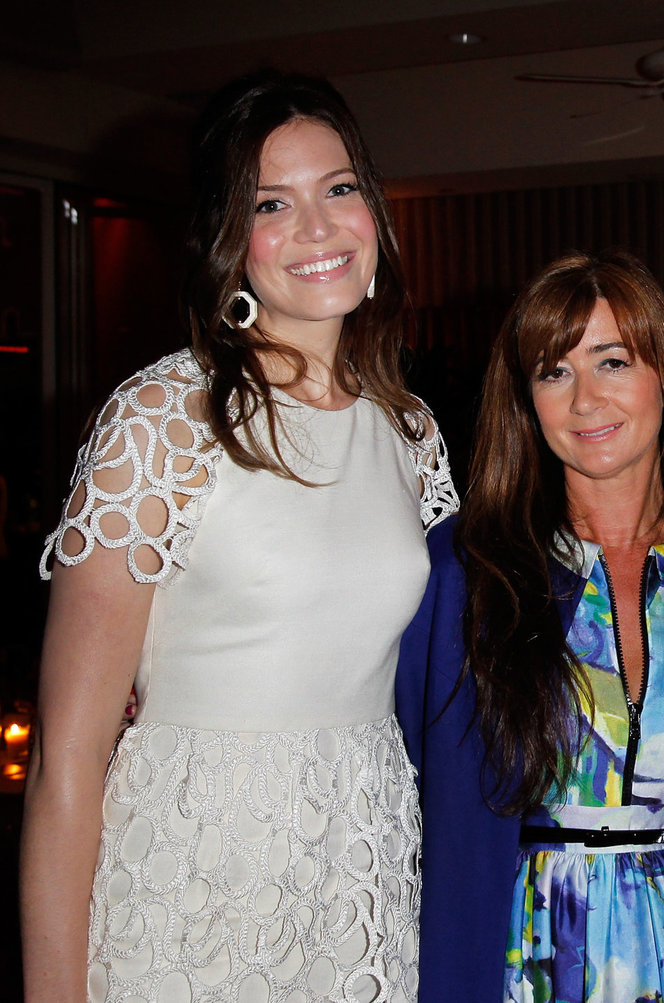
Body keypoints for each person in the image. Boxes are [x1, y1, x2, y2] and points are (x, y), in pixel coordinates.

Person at [21, 72, 458, 1002]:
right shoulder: (160, 421)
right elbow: (66, 760)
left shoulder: (412, 432)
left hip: (360, 880)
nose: (317, 226)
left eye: (339, 188)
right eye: (272, 203)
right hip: (189, 887)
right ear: (229, 242)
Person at [396, 249, 664, 1002]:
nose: (585, 399)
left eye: (611, 361)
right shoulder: (465, 572)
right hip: (522, 961)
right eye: (553, 372)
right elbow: (410, 781)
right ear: (526, 400)